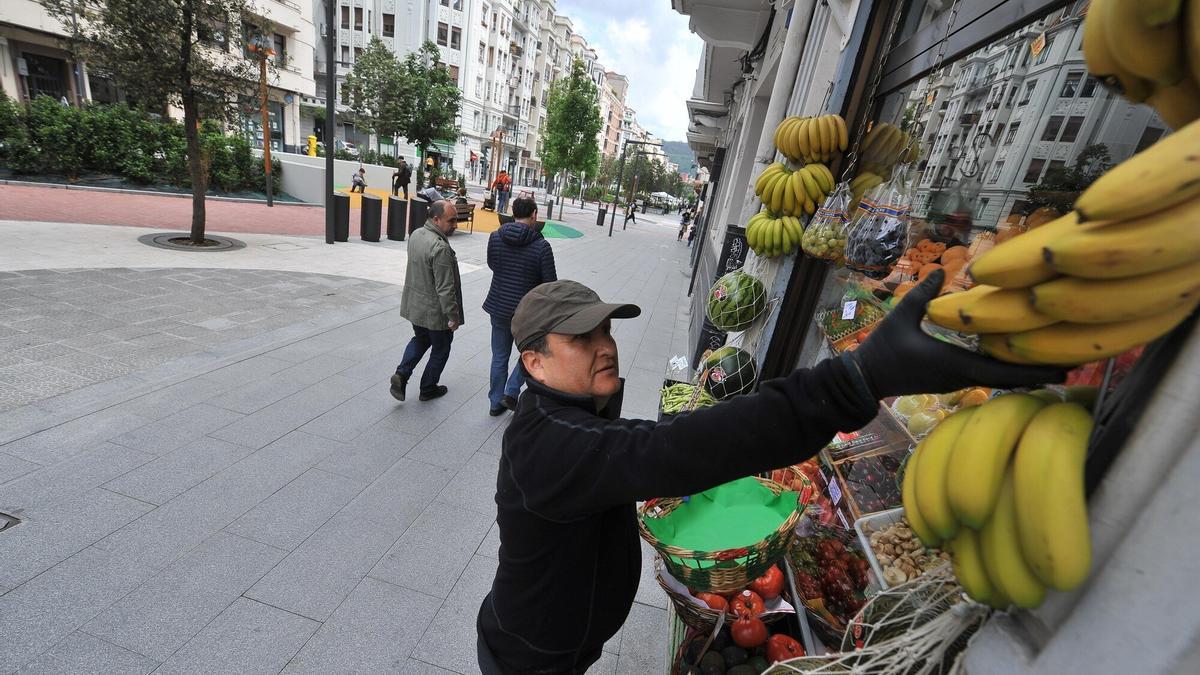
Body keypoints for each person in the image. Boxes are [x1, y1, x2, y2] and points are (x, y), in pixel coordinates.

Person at [475, 271, 1064, 674]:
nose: (605, 345)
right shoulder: (549, 443)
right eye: (582, 337)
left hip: (562, 641)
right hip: (532, 652)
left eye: (606, 329)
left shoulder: (567, 422)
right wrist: (852, 380)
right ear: (534, 361)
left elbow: (648, 450)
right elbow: (675, 450)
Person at [483, 197, 557, 416]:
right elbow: (550, 284)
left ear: (513, 213)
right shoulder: (542, 246)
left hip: (498, 306)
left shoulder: (495, 237)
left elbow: (492, 264)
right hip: (527, 313)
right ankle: (512, 391)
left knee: (499, 356)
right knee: (532, 352)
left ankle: (495, 402)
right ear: (534, 214)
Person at [390, 201, 464, 403]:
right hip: (434, 312)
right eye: (451, 220)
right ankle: (428, 388)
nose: (455, 225)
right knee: (442, 348)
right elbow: (445, 288)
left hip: (415, 305)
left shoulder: (416, 234)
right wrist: (453, 316)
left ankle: (402, 374)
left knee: (421, 339)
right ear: (436, 219)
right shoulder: (440, 248)